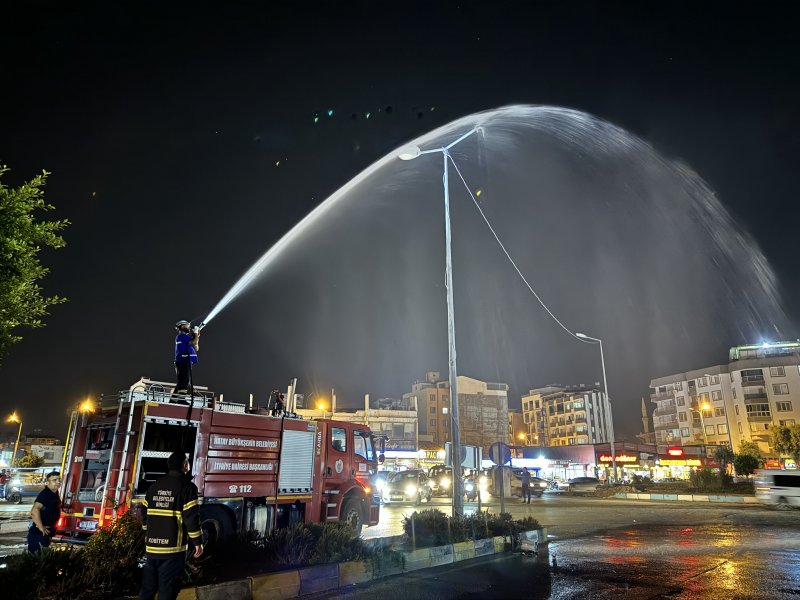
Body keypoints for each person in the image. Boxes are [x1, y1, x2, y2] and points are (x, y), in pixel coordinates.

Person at [140, 452, 203, 600]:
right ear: (184, 465)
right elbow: (191, 518)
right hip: (172, 550)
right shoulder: (188, 488)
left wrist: (147, 533)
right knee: (167, 590)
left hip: (151, 549)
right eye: (187, 462)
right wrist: (197, 542)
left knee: (147, 589)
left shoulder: (155, 486)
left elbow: (144, 513)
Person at [28, 471, 61, 552]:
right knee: (36, 557)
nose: (58, 482)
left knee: (42, 556)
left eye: (59, 479)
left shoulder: (54, 492)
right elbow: (34, 511)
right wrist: (41, 527)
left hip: (46, 533)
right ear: (48, 482)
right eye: (54, 480)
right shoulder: (45, 494)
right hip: (38, 534)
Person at [174, 320, 200, 394]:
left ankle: (175, 398)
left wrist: (196, 336)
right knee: (184, 381)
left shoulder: (185, 337)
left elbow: (196, 348)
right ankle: (181, 398)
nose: (189, 328)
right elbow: (193, 342)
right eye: (187, 326)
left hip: (185, 361)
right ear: (182, 327)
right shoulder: (181, 336)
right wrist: (195, 333)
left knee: (182, 380)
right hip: (183, 361)